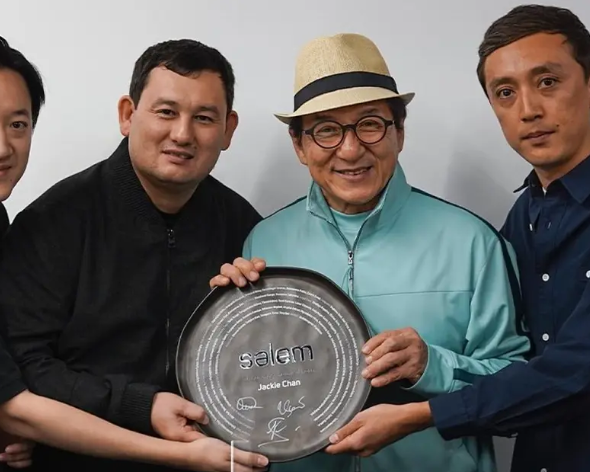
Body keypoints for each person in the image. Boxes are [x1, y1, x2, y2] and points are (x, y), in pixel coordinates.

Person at [0, 33, 267, 472]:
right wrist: (172, 445)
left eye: (18, 124)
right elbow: (14, 397)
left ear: (227, 129)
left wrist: (258, 305)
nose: (0, 146)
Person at [323, 5, 590, 472]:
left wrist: (421, 416)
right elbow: (511, 362)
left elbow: (582, 370)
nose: (529, 109)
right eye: (505, 92)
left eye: (547, 82)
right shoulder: (523, 216)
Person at [210, 33, 531, 472]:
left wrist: (432, 365)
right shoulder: (263, 243)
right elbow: (247, 387)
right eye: (326, 130)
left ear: (399, 132)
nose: (350, 149)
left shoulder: (473, 242)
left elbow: (519, 389)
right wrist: (224, 330)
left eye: (370, 124)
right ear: (299, 145)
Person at [0, 39, 265, 472]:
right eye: (166, 112)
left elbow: (270, 367)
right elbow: (21, 368)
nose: (182, 134)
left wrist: (260, 315)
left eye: (204, 118)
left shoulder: (245, 227)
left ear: (228, 129)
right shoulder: (53, 221)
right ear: (127, 114)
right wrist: (139, 405)